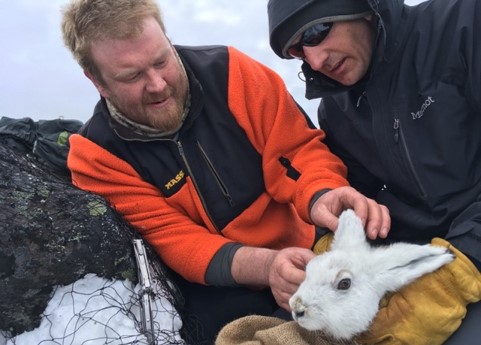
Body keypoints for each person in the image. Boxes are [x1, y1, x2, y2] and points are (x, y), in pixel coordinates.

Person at [60, 0, 390, 343]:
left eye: (162, 60)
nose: (158, 84)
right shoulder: (96, 157)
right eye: (132, 76)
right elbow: (176, 240)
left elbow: (298, 151)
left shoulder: (232, 72)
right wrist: (267, 267)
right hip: (221, 283)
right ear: (96, 80)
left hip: (308, 243)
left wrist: (324, 192)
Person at [267, 0, 481, 344]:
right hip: (409, 260)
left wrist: (457, 271)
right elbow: (361, 204)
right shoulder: (336, 109)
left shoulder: (464, 26)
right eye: (299, 51)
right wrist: (328, 250)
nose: (316, 60)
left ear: (364, 8)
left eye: (316, 31)